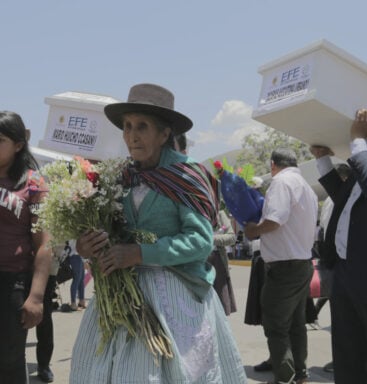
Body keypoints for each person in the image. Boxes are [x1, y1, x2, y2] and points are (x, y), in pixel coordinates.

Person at [69, 83, 246, 383]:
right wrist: (86, 246)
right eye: (126, 127)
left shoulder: (187, 176)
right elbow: (110, 231)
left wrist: (139, 253)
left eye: (142, 126)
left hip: (176, 292)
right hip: (124, 293)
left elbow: (201, 242)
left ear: (165, 134)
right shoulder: (121, 176)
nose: (131, 136)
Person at [310, 110, 367, 384]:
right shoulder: (360, 175)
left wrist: (358, 139)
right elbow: (341, 194)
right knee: (348, 352)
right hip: (346, 273)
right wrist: (322, 158)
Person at [245, 148, 318, 384]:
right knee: (296, 325)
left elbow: (274, 221)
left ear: (273, 164)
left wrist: (253, 230)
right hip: (302, 264)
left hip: (284, 267)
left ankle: (284, 377)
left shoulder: (281, 182)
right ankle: (301, 375)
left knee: (276, 325)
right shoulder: (306, 187)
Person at [0, 111, 51, 383]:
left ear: (18, 145)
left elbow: (44, 244)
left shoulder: (33, 183)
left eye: (0, 140)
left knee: (8, 362)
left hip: (11, 284)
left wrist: (36, 296)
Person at [35, 244, 61, 383]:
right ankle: (13, 361)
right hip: (19, 264)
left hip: (48, 267)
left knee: (44, 316)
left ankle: (44, 365)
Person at [207, 209, 238, 315]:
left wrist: (210, 239)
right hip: (198, 262)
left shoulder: (220, 214)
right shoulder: (194, 211)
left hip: (217, 262)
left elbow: (231, 237)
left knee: (220, 306)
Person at [68, 240, 86, 310]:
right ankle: (73, 303)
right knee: (76, 279)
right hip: (74, 255)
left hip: (80, 256)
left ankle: (81, 301)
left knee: (81, 279)